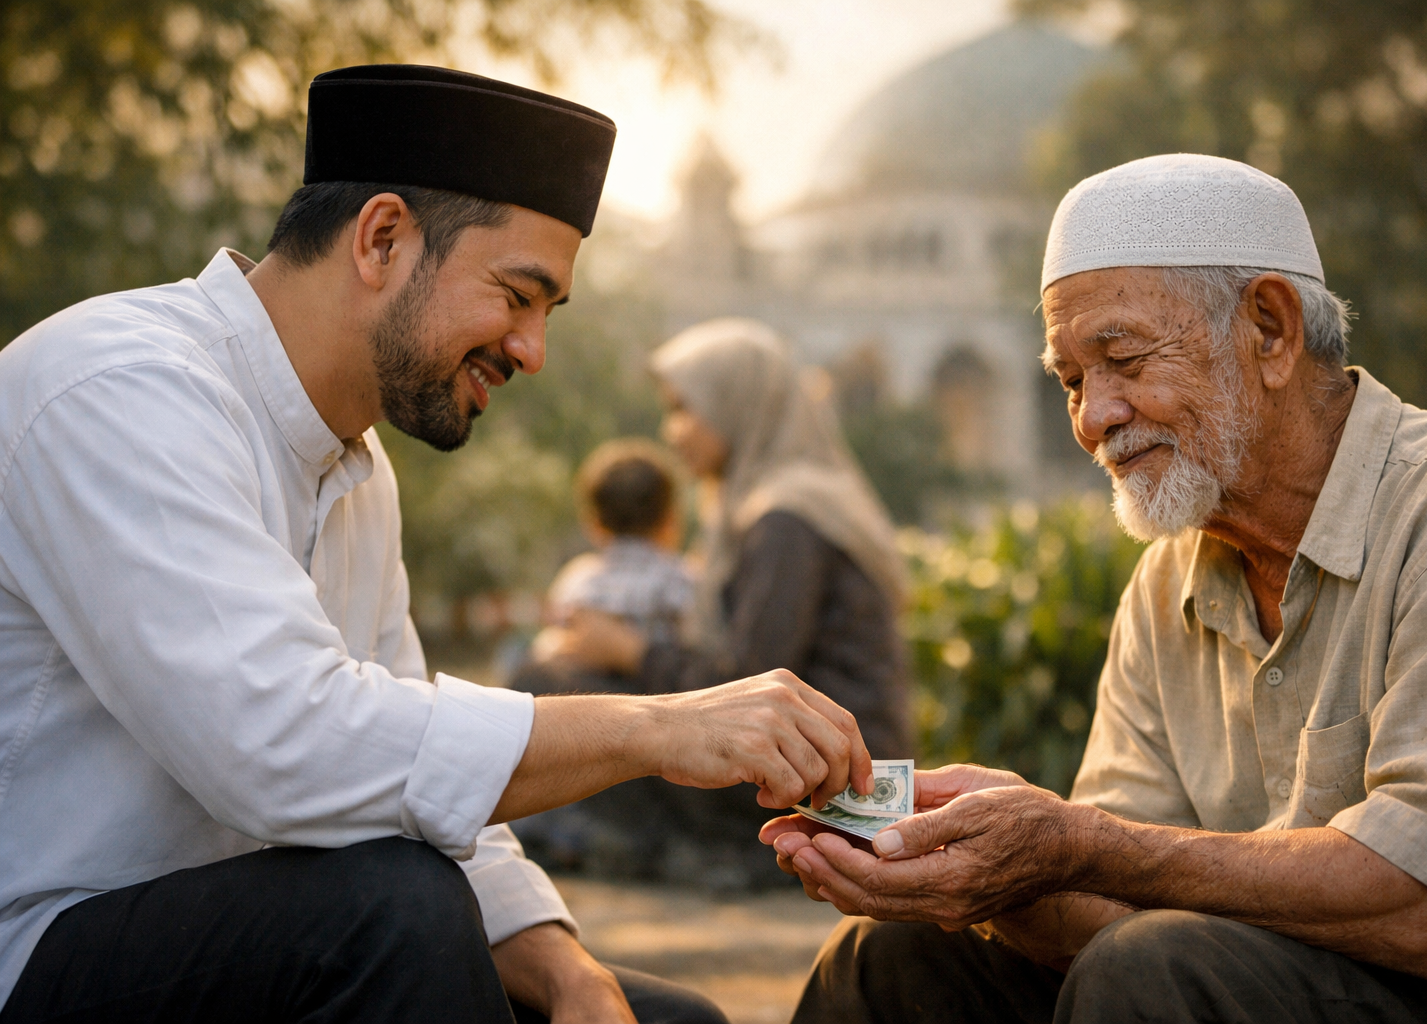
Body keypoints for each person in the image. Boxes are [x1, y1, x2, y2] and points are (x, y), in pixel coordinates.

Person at [0, 65, 875, 1023]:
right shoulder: (119, 389)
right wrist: (650, 726)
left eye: (548, 313)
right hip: (47, 945)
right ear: (381, 239)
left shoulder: (359, 474)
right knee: (392, 911)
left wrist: (572, 977)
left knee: (664, 1017)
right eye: (517, 295)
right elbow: (284, 745)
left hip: (282, 935)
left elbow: (418, 779)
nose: (533, 350)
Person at [764, 154, 1427, 1024]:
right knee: (894, 957)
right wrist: (982, 869)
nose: (1095, 416)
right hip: (1224, 973)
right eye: (1069, 382)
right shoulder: (1169, 577)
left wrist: (1080, 842)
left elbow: (1425, 915)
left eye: (1122, 359)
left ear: (1272, 331)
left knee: (1156, 967)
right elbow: (1104, 901)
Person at [542, 317, 911, 886]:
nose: (672, 431)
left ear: (739, 405)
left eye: (686, 409)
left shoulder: (787, 520)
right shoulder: (774, 508)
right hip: (827, 776)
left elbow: (746, 678)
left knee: (547, 684)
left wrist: (626, 648)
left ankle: (692, 851)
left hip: (838, 796)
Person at [535, 438, 694, 658]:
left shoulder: (576, 582)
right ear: (670, 518)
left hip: (585, 689)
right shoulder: (682, 579)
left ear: (594, 524)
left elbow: (551, 644)